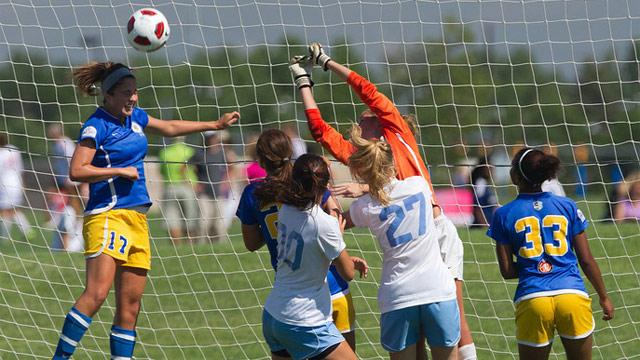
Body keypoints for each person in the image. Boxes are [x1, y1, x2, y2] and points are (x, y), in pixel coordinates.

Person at [290, 44, 477, 359]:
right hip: (417, 237)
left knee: (455, 310)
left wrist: (326, 63)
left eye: (365, 118)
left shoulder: (396, 130)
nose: (360, 122)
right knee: (435, 323)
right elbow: (320, 131)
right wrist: (303, 83)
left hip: (436, 230)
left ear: (377, 124)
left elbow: (366, 89)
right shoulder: (362, 159)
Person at [52, 61, 239, 359]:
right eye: (127, 92)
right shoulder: (96, 126)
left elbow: (169, 127)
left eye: (135, 91)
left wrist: (213, 125)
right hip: (108, 216)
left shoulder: (135, 117)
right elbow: (76, 170)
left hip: (137, 219)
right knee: (97, 294)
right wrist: (119, 171)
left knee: (131, 305)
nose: (134, 97)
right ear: (109, 95)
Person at [236, 129, 367, 351]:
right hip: (332, 285)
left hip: (287, 293)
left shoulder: (257, 195)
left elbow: (251, 244)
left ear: (260, 159)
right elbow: (332, 222)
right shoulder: (308, 183)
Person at [487, 148, 614, 360]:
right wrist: (603, 297)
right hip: (572, 296)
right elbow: (586, 260)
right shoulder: (567, 206)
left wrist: (536, 264)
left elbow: (507, 271)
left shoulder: (503, 214)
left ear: (515, 176)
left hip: (533, 299)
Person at [344, 127, 460, 360]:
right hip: (437, 290)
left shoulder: (365, 206)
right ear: (393, 164)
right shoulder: (419, 185)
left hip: (397, 296)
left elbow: (336, 224)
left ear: (362, 172)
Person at [261, 153, 360, 360]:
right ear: (325, 186)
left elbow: (309, 251)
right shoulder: (325, 224)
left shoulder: (286, 209)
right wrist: (338, 238)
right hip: (304, 321)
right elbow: (348, 274)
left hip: (273, 316)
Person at [190, 130, 238, 242]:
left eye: (214, 137)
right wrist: (194, 183)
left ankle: (221, 247)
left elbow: (232, 167)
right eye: (210, 137)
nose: (212, 139)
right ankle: (200, 246)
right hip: (204, 194)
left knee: (219, 225)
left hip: (218, 194)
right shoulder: (199, 154)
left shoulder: (222, 153)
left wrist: (226, 181)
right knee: (203, 223)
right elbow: (185, 167)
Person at [158, 137, 200, 245]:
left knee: (172, 220)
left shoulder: (164, 153)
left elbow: (162, 172)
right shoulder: (190, 151)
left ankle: (177, 247)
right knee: (190, 219)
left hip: (170, 187)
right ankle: (190, 246)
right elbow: (196, 169)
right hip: (188, 187)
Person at [0, 133, 33, 239]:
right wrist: (23, 184)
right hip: (17, 183)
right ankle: (28, 231)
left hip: (5, 184)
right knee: (15, 210)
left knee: (4, 210)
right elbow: (20, 168)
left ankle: (5, 237)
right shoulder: (14, 149)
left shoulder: (1, 153)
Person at [47, 123, 77, 190]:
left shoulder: (65, 143)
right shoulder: (56, 145)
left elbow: (72, 159)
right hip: (61, 179)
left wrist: (68, 178)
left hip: (69, 179)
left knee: (74, 199)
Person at [470, 159, 497, 227]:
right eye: (490, 168)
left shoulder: (487, 184)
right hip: (481, 224)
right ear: (484, 169)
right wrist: (483, 223)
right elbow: (477, 205)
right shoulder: (481, 183)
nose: (492, 171)